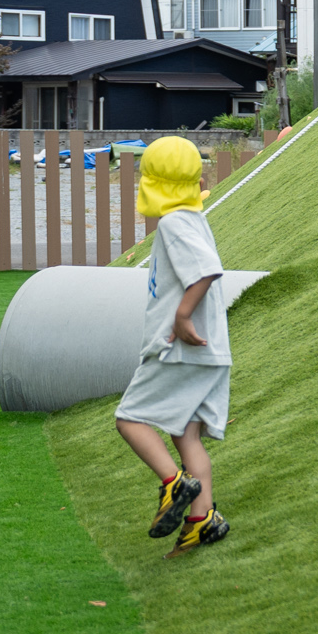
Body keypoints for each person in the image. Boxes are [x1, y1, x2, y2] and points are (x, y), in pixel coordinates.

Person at [114, 138, 232, 556]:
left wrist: (181, 318)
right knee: (186, 435)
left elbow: (206, 272)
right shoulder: (193, 218)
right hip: (209, 350)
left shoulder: (175, 223)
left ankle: (174, 484)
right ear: (194, 179)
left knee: (129, 419)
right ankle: (201, 521)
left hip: (178, 348)